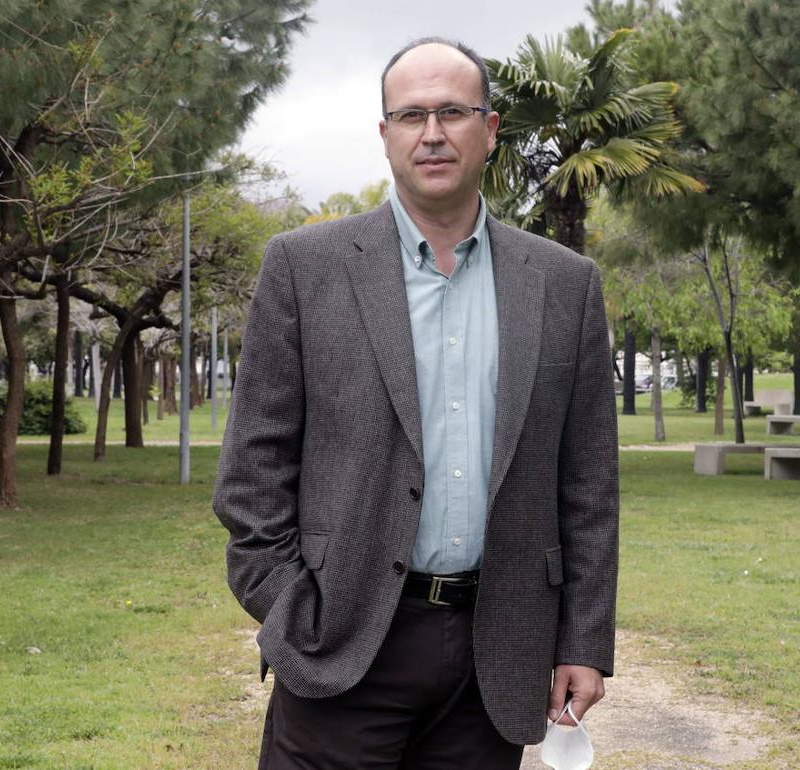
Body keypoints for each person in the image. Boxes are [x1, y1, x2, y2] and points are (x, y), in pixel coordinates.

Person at [213, 37, 619, 770]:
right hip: (342, 645)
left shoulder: (566, 285)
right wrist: (290, 608)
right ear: (385, 135)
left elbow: (588, 484)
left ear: (490, 130)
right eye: (411, 116)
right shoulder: (304, 268)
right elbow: (252, 471)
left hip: (496, 653)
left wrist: (583, 642)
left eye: (452, 113)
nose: (432, 133)